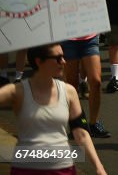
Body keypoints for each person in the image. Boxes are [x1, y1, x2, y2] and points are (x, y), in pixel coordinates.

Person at [0, 43, 107, 175]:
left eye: (63, 56)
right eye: (57, 58)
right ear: (39, 61)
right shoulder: (17, 91)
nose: (63, 61)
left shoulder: (69, 92)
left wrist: (99, 167)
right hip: (26, 169)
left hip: (63, 169)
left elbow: (81, 133)